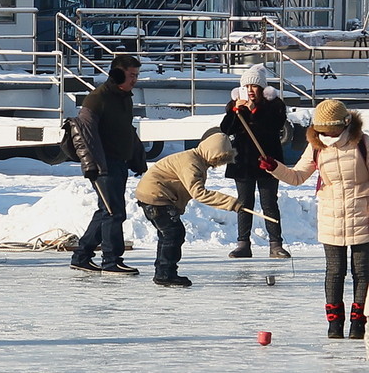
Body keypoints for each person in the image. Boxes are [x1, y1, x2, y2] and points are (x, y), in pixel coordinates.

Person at [261, 100, 369, 339]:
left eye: (330, 129)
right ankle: (334, 323)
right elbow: (297, 176)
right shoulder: (316, 146)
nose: (326, 134)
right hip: (331, 214)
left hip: (363, 214)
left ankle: (358, 322)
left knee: (362, 271)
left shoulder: (363, 143)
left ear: (345, 124)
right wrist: (274, 167)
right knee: (335, 270)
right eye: (321, 129)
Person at [68, 53, 146, 275]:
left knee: (106, 211)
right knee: (114, 213)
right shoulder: (97, 98)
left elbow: (127, 131)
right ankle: (111, 261)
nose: (135, 80)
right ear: (117, 74)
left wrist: (137, 157)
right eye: (131, 75)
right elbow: (83, 134)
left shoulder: (125, 98)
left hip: (119, 163)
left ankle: (82, 256)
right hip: (103, 165)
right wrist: (91, 166)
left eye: (136, 75)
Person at [134, 132, 242, 287]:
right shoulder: (192, 163)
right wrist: (232, 203)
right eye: (217, 159)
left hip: (155, 195)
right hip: (155, 196)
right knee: (173, 233)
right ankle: (165, 274)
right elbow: (199, 193)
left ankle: (163, 271)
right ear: (210, 152)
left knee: (168, 234)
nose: (216, 164)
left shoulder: (196, 159)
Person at [219, 64, 290, 259]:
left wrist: (253, 113)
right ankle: (243, 243)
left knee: (269, 203)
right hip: (243, 162)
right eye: (247, 86)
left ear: (262, 88)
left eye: (254, 86)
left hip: (267, 161)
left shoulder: (275, 106)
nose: (250, 90)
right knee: (244, 203)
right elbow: (226, 129)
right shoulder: (235, 107)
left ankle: (276, 244)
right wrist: (236, 112)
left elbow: (270, 128)